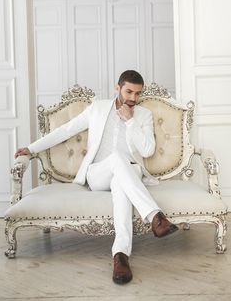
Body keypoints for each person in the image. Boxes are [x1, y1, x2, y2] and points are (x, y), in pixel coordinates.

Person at [15, 70, 178, 285]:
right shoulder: (98, 109)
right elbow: (66, 130)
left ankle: (120, 257)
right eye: (129, 91)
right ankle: (155, 217)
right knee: (117, 157)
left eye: (137, 94)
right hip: (98, 173)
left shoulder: (143, 115)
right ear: (117, 88)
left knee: (122, 184)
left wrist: (130, 122)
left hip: (130, 175)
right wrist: (32, 148)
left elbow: (147, 151)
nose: (133, 98)